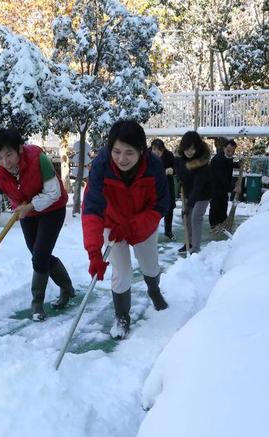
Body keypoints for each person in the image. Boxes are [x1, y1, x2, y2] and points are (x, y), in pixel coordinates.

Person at [82, 120, 169, 340]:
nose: (122, 159)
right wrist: (94, 253)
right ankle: (122, 316)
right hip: (112, 226)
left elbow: (160, 206)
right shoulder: (101, 166)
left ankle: (154, 291)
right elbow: (92, 208)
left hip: (143, 225)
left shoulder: (154, 166)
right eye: (117, 151)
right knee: (122, 272)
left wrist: (131, 226)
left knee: (149, 266)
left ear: (141, 150)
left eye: (129, 153)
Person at [0, 128, 75, 321]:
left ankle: (37, 304)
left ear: (20, 149)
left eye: (9, 154)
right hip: (25, 212)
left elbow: (53, 192)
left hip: (52, 208)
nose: (5, 162)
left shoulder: (38, 159)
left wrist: (31, 205)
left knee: (40, 255)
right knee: (39, 254)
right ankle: (67, 288)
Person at [175, 131, 212, 254]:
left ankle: (195, 248)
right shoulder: (181, 160)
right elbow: (180, 173)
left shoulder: (202, 163)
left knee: (195, 217)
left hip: (203, 194)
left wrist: (188, 204)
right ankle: (188, 242)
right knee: (186, 218)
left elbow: (198, 186)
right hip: (188, 192)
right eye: (186, 149)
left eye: (192, 149)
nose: (189, 152)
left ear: (197, 148)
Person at [209, 138, 240, 229]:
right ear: (224, 148)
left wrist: (237, 164)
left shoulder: (227, 157)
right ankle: (214, 226)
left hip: (223, 188)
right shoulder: (217, 160)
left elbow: (228, 165)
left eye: (232, 151)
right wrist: (233, 187)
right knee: (215, 206)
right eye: (228, 150)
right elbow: (221, 177)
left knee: (223, 206)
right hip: (215, 187)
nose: (230, 153)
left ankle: (222, 224)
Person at [150, 138, 176, 240]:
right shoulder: (146, 156)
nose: (156, 152)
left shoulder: (169, 155)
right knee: (153, 208)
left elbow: (176, 167)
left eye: (159, 150)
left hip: (167, 184)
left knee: (169, 207)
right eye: (154, 149)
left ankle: (168, 231)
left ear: (163, 150)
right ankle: (150, 230)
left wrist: (172, 170)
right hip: (152, 185)